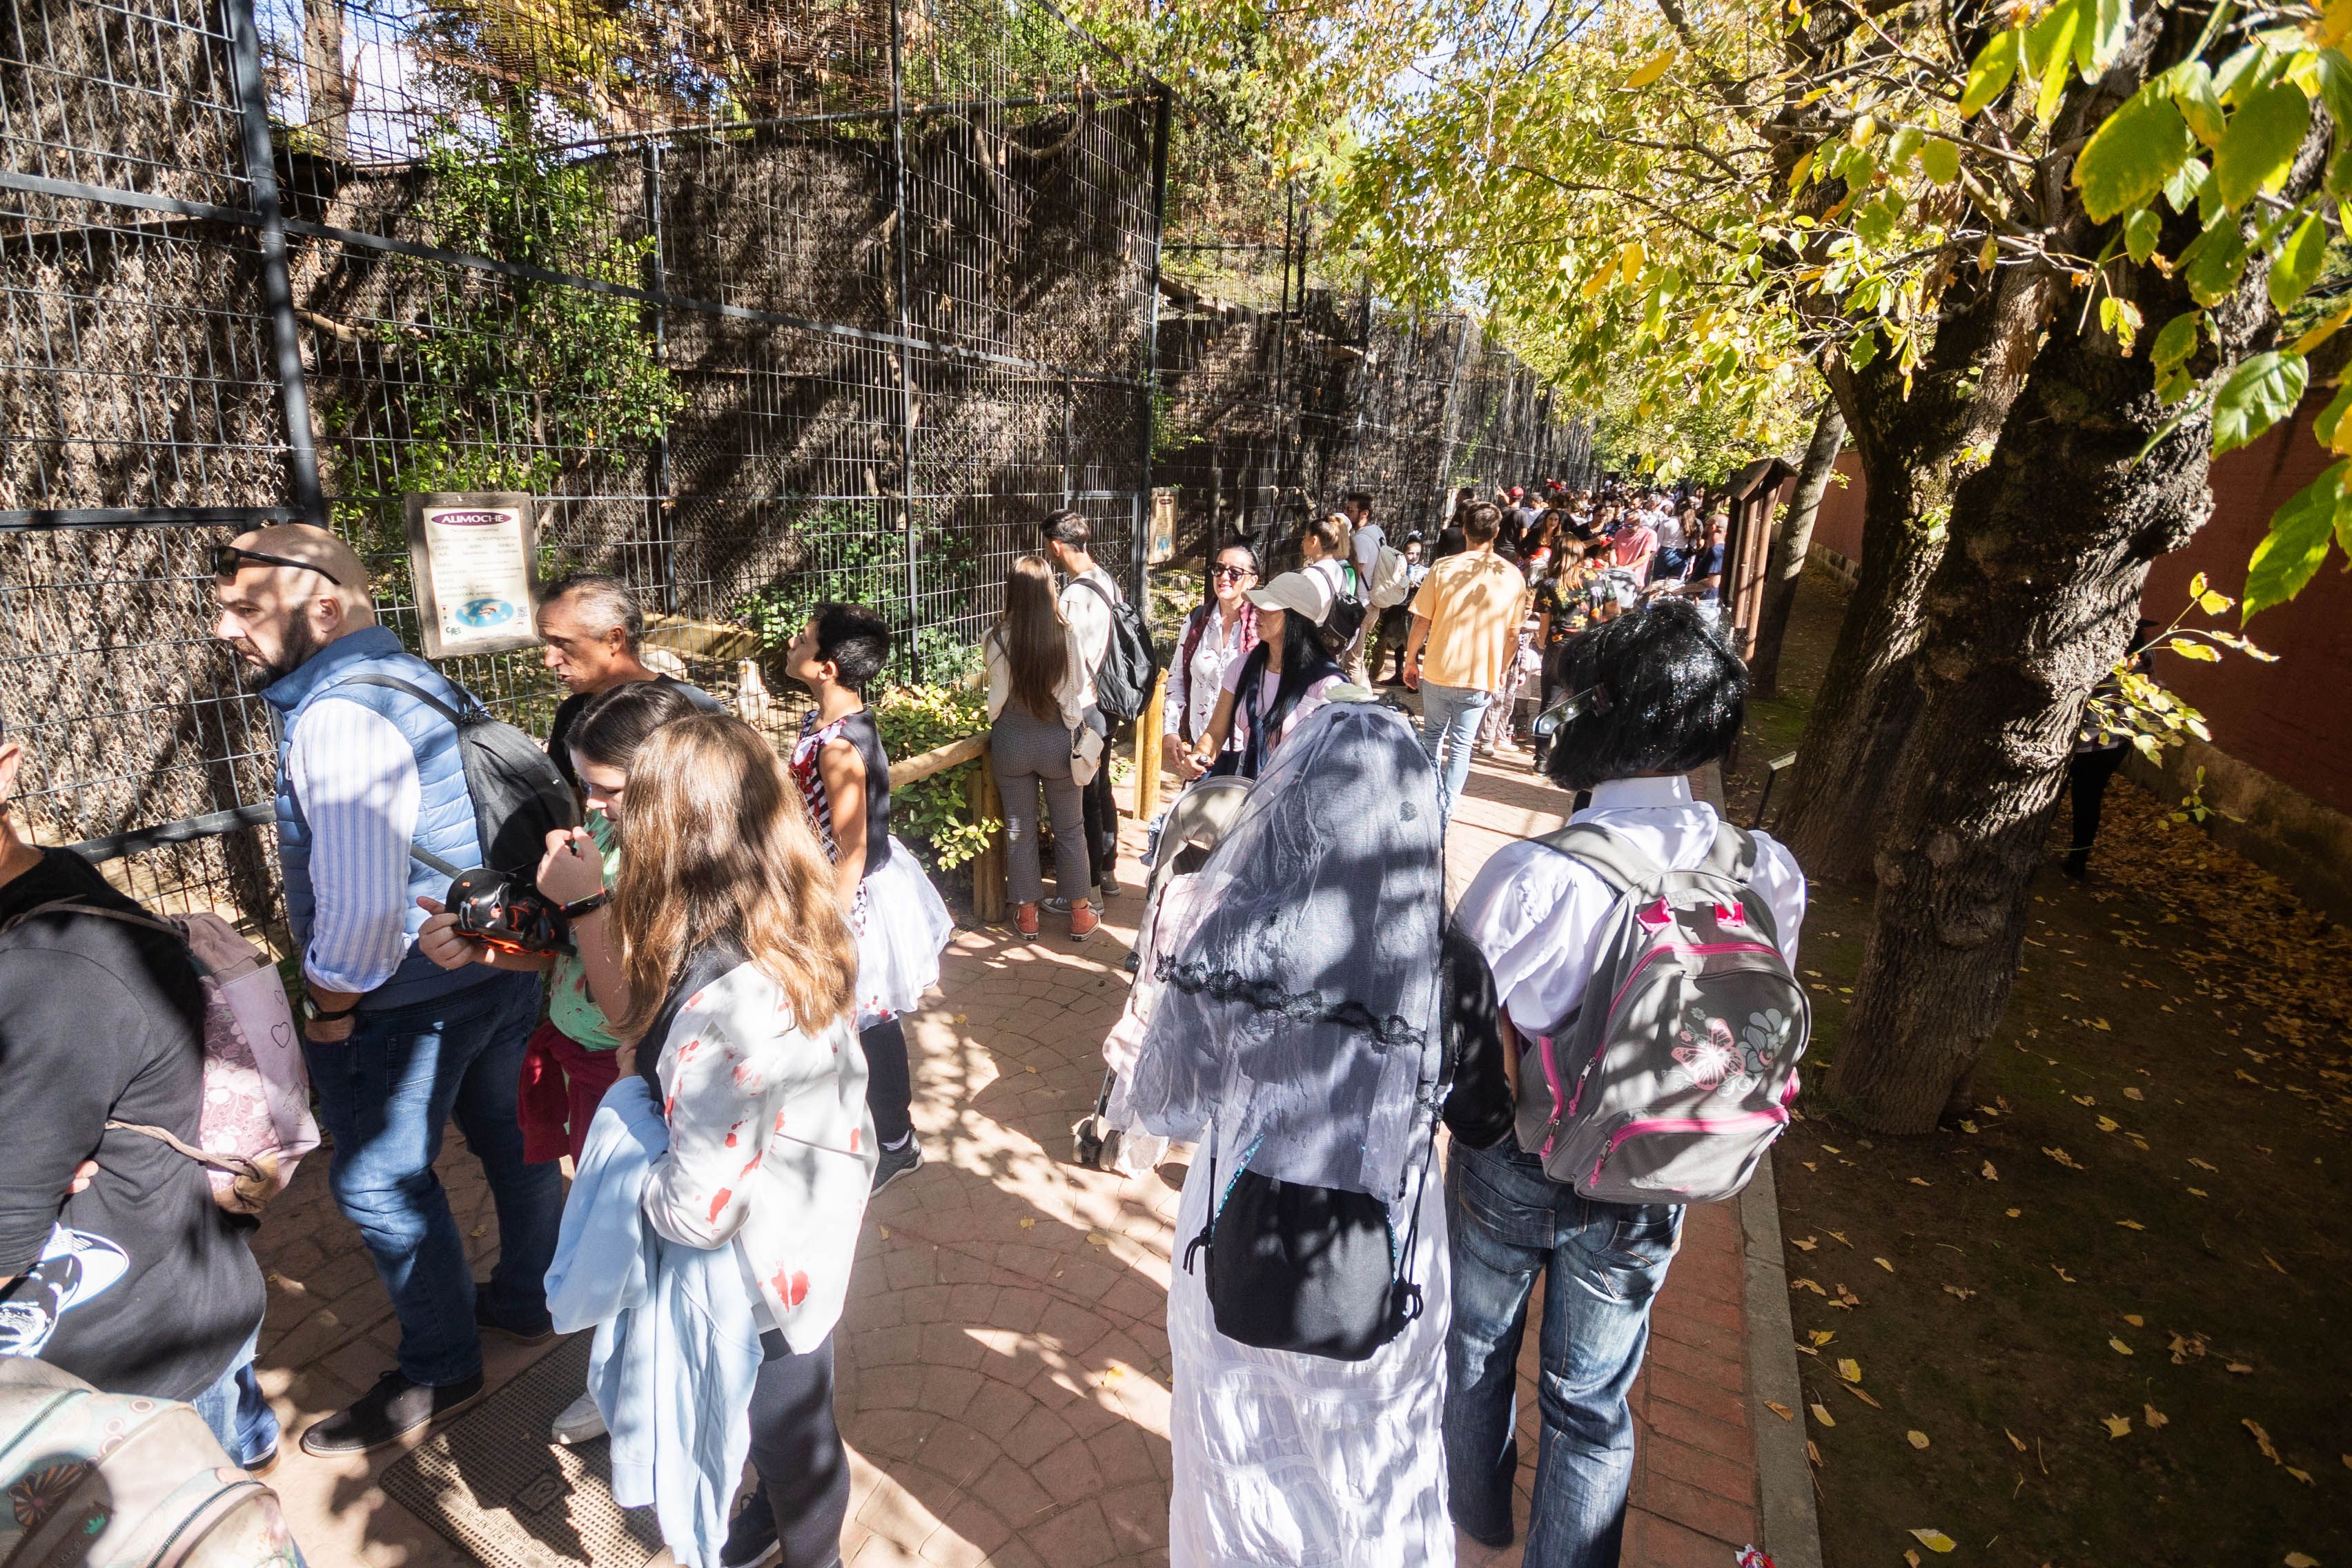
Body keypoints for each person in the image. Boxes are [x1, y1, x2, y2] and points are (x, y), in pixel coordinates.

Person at [1442, 600, 1806, 1564]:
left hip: (1519, 1161)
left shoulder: (1535, 875)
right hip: (1657, 1171)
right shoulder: (1767, 872)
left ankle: (1474, 1517)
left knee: (1475, 1351)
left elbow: (1463, 1024)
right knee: (1592, 1400)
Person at [210, 523, 564, 1456]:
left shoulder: (336, 715)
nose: (225, 630)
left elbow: (362, 910)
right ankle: (531, 1299)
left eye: (245, 608)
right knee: (512, 1140)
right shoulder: (415, 676)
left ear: (321, 606)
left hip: (408, 997)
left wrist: (328, 1009)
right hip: (493, 961)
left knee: (378, 1187)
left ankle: (443, 1365)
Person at [1117, 700, 1453, 1568]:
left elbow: (1173, 1096)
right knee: (1374, 1454)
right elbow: (1488, 1116)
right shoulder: (1444, 955)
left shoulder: (1233, 928)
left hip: (1241, 1213)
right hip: (1382, 1245)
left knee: (1237, 1448)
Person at [536, 714, 874, 1568]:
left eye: (620, 805)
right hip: (809, 1222)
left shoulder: (721, 1008)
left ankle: (812, 1552)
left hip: (758, 1281)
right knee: (798, 1424)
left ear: (668, 836)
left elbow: (695, 1212)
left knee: (789, 1432)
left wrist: (627, 1152)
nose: (600, 819)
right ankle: (789, 1528)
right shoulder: (798, 920)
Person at [415, 676, 705, 1448]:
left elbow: (630, 1013)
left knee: (647, 1249)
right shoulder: (607, 838)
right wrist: (485, 946)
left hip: (635, 1076)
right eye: (584, 784)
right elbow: (562, 963)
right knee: (612, 1239)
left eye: (606, 788)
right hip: (581, 1058)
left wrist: (583, 904)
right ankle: (618, 1381)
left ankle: (652, 1396)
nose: (592, 803)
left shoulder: (683, 867)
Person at [0, 717, 277, 1476]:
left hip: (127, 1371)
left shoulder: (52, 971)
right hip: (182, 1305)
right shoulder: (42, 892)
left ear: (6, 769)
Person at [783, 603, 953, 1194]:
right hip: (830, 884)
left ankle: (897, 1143)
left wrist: (829, 921)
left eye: (804, 638)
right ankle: (865, 1129)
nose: (792, 641)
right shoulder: (827, 723)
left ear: (826, 667)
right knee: (851, 1020)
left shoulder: (837, 746)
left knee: (871, 1020)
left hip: (849, 895)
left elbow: (850, 849)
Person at [986, 555, 1099, 942]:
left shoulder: (997, 636)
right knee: (1070, 828)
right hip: (1057, 742)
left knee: (1019, 828)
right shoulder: (1065, 635)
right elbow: (1078, 687)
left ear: (1012, 591)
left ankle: (1029, 914)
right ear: (1049, 588)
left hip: (1011, 741)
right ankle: (1081, 916)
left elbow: (996, 692)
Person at [1402, 501, 1529, 824]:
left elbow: (1421, 622)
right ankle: (1446, 811)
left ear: (1465, 531)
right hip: (1481, 675)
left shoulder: (1443, 568)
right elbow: (1514, 635)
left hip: (1440, 669)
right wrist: (1501, 671)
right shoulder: (1512, 575)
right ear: (1497, 533)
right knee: (1461, 747)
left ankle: (1424, 801)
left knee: (1432, 736)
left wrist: (1411, 659)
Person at [539, 573, 725, 794]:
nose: (549, 660)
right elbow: (570, 800)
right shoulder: (573, 711)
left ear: (614, 640)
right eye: (548, 642)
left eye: (561, 642)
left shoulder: (695, 710)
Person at [1179, 569, 1346, 781]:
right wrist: (1198, 756)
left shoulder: (1326, 683)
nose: (1257, 610)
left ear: (1295, 618)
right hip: (1247, 790)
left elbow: (1334, 761)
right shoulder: (1241, 667)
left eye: (1268, 606)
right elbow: (1215, 733)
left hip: (1295, 796)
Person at [1041, 510, 1126, 903]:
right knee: (1102, 787)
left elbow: (1067, 661)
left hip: (1084, 705)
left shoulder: (1074, 595)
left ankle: (1087, 890)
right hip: (1109, 702)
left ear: (1057, 546)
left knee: (1084, 797)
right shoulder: (1106, 580)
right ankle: (1107, 873)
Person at [2064, 620, 2158, 879]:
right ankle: (2078, 859)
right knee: (2089, 800)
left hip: (2076, 739)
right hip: (2113, 742)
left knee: (2050, 796)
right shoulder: (2146, 653)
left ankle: (2031, 845)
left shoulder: (2097, 647)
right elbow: (2148, 693)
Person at [1162, 541, 1262, 778]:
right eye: (1219, 569)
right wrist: (1171, 730)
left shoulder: (1263, 627)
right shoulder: (1197, 621)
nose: (1224, 577)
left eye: (1235, 572)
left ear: (1252, 581)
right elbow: (1177, 677)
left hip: (1247, 749)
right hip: (1203, 749)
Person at [1369, 536, 1429, 685]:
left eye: (1417, 554)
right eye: (1410, 553)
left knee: (1412, 643)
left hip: (1412, 612)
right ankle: (1398, 674)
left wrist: (1415, 587)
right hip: (1397, 610)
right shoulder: (1397, 566)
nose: (1414, 557)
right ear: (1404, 552)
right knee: (1397, 643)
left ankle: (1413, 680)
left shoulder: (1423, 572)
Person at [1341, 491, 1384, 686]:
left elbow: (1355, 574)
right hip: (1373, 603)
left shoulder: (1361, 539)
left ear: (1364, 513)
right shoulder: (1377, 532)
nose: (1347, 513)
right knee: (1356, 659)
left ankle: (1365, 707)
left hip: (1362, 605)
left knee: (1353, 662)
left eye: (1351, 510)